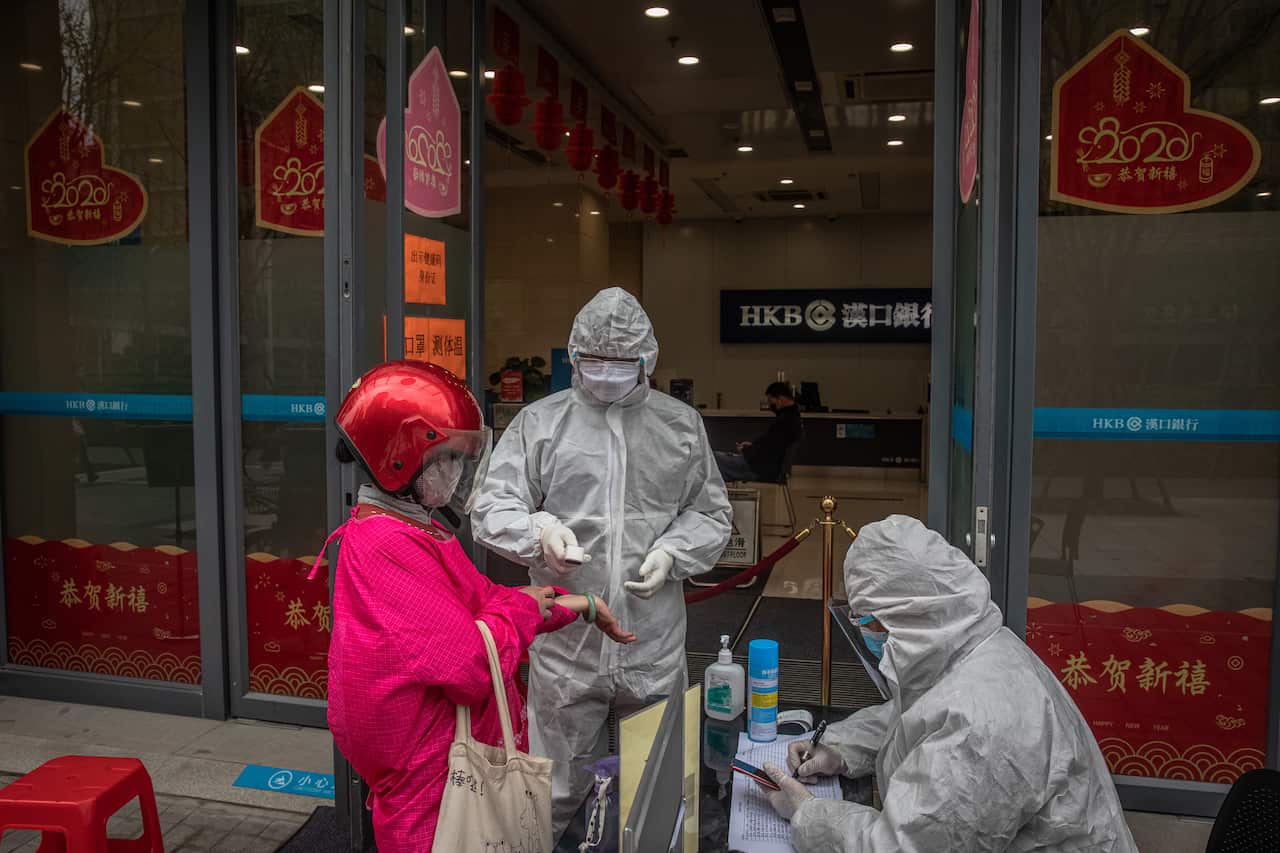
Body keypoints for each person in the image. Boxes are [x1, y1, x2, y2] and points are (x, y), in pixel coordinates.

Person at [318, 360, 636, 852]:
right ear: (400, 457)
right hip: (434, 797)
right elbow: (469, 663)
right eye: (448, 457)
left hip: (447, 777)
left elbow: (484, 602)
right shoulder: (387, 546)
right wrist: (530, 609)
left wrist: (578, 606)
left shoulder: (410, 529)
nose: (458, 472)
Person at [471, 287, 733, 837]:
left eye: (621, 363)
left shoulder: (679, 426)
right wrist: (540, 531)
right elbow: (492, 506)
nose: (607, 373)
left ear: (647, 360)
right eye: (595, 361)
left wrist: (671, 552)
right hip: (566, 640)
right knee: (553, 785)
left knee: (657, 781)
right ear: (574, 356)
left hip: (652, 638)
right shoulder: (540, 424)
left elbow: (709, 514)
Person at [762, 515, 1137, 853]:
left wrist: (809, 815)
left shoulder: (981, 724)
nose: (867, 633)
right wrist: (842, 747)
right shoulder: (972, 646)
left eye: (868, 620)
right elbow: (917, 714)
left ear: (909, 613)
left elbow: (900, 848)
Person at [714, 381, 802, 483]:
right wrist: (752, 446)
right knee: (716, 461)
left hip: (758, 469)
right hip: (763, 466)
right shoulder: (793, 419)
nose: (770, 405)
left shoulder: (785, 421)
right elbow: (771, 445)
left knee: (712, 458)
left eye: (770, 401)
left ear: (780, 400)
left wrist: (747, 450)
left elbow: (768, 451)